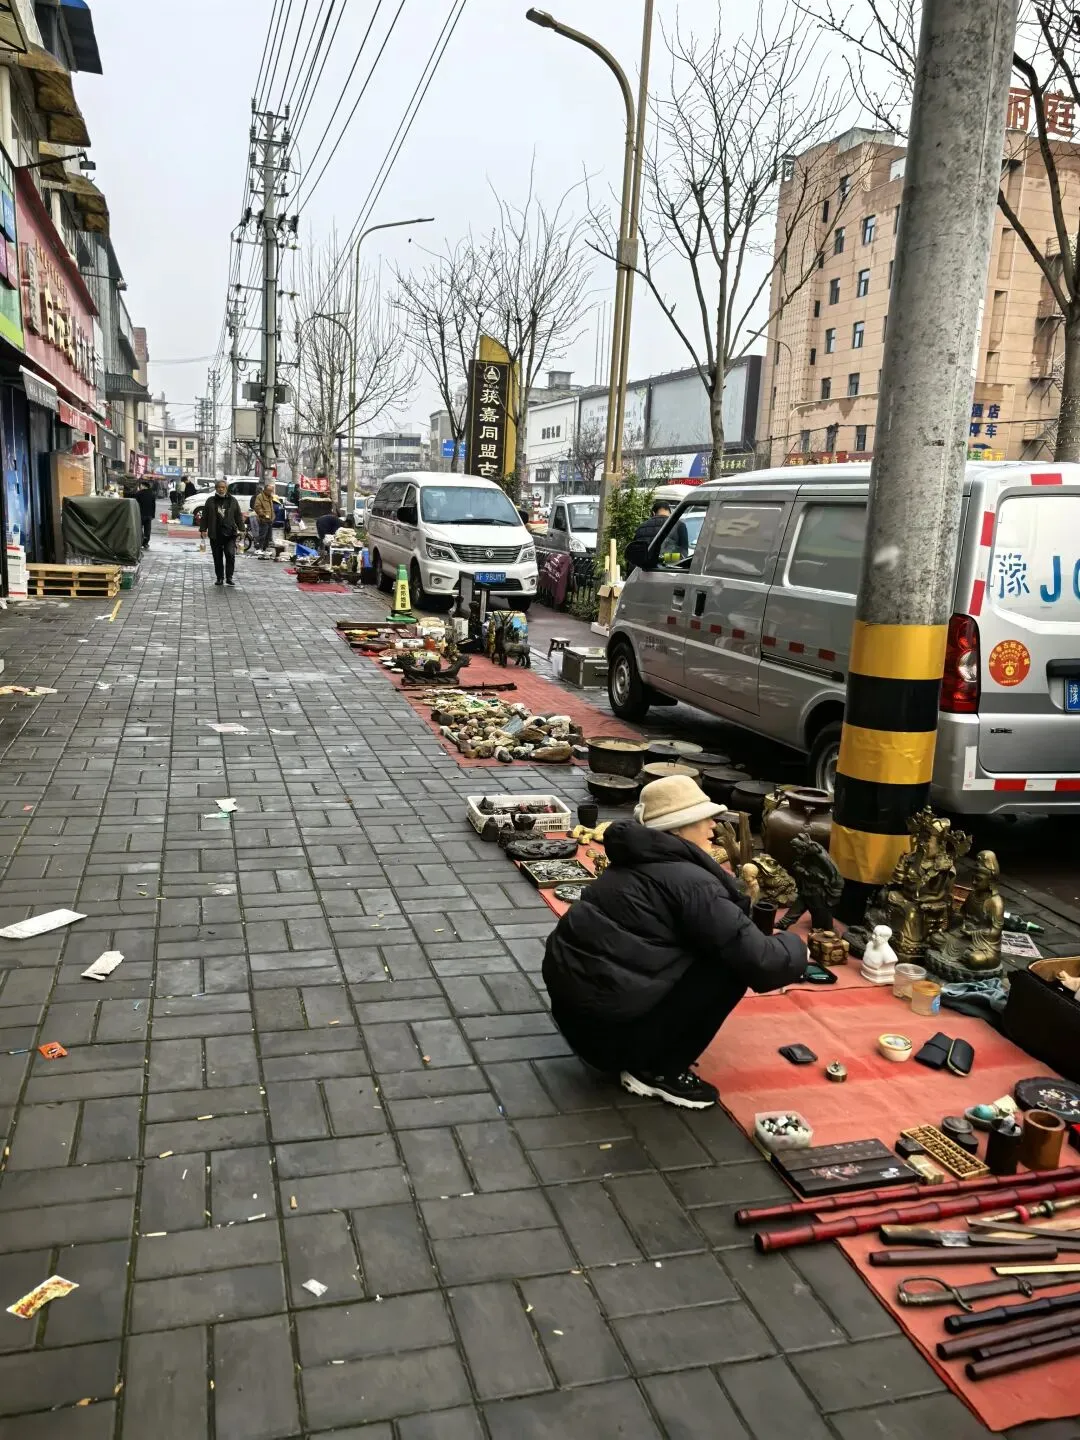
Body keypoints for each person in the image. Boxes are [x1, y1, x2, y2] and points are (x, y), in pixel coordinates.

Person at [543, 775, 807, 1109]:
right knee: (729, 967)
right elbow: (761, 962)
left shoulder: (634, 860)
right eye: (704, 818)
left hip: (576, 1020)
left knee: (715, 944)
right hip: (609, 1039)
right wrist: (797, 947)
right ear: (678, 828)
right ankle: (657, 1071)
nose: (713, 826)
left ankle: (646, 1047)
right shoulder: (691, 882)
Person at [200, 479, 243, 587]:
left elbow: (238, 515)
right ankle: (219, 578)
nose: (221, 489)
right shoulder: (210, 501)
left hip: (230, 533)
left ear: (226, 488)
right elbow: (205, 516)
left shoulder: (232, 500)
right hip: (215, 533)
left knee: (230, 554)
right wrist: (203, 529)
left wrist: (242, 529)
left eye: (223, 487)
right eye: (219, 487)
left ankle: (229, 578)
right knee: (217, 557)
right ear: (216, 488)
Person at [253, 481, 276, 553]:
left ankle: (265, 549)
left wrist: (273, 516)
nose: (270, 492)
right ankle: (259, 548)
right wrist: (262, 514)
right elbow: (257, 507)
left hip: (270, 520)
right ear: (265, 490)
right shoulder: (260, 497)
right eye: (269, 490)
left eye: (271, 491)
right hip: (263, 519)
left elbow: (271, 508)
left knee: (268, 536)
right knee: (262, 535)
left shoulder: (270, 497)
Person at [134, 479, 156, 549]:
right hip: (149, 515)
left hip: (140, 514)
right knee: (147, 530)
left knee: (139, 529)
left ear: (143, 486)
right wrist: (153, 515)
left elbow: (136, 504)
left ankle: (140, 542)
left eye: (141, 485)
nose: (140, 487)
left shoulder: (138, 493)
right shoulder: (152, 494)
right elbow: (153, 505)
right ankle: (146, 543)